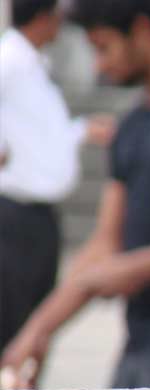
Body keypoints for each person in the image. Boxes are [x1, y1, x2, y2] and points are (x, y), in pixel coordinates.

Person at [0, 0, 150, 389]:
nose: (98, 66)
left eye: (103, 47)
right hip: (138, 345)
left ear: (141, 30)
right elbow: (103, 246)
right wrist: (37, 332)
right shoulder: (131, 127)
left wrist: (130, 268)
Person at [0, 0, 113, 366]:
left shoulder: (33, 65)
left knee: (33, 315)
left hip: (37, 215)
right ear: (43, 18)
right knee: (12, 318)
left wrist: (81, 131)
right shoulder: (10, 59)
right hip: (12, 212)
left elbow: (39, 132)